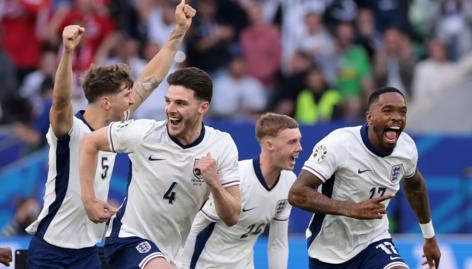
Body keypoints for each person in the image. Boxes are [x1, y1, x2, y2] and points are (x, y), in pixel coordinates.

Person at [25, 1, 196, 268]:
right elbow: (60, 100)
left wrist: (178, 32)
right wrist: (68, 53)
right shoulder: (69, 129)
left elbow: (150, 80)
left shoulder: (117, 128)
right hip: (51, 249)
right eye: (126, 95)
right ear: (106, 102)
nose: (132, 101)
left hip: (89, 251)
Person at [79, 67, 241, 269]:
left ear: (203, 107)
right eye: (168, 101)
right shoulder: (144, 133)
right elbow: (88, 143)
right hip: (128, 239)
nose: (170, 109)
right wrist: (88, 200)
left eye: (180, 103)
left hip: (172, 252)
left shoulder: (222, 145)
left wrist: (215, 184)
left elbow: (232, 216)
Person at [288, 87, 441, 269]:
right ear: (370, 118)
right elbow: (297, 193)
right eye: (387, 110)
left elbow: (415, 186)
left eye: (402, 112)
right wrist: (350, 209)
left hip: (374, 242)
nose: (397, 117)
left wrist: (429, 236)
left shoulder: (406, 148)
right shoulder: (339, 144)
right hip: (329, 251)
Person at [180, 112, 302, 269]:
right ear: (269, 145)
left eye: (299, 141)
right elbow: (196, 227)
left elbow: (278, 242)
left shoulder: (289, 181)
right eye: (292, 142)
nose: (300, 148)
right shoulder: (237, 178)